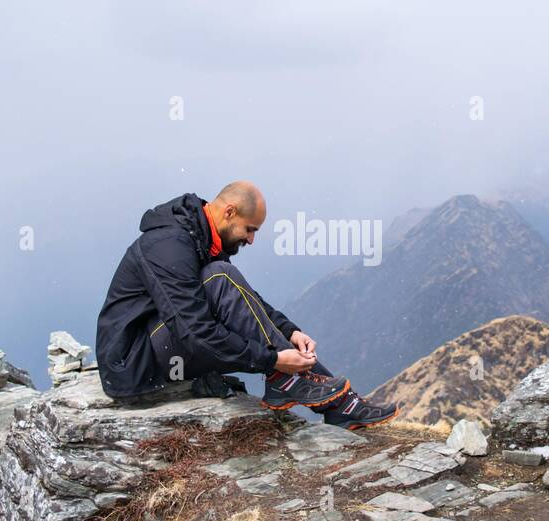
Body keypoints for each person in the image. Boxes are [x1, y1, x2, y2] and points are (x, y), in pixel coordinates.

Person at [95, 181, 399, 430]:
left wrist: (290, 331)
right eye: (250, 229)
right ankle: (301, 387)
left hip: (161, 350)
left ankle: (334, 401)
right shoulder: (168, 245)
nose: (251, 240)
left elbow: (244, 299)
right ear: (229, 212)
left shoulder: (200, 237)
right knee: (220, 276)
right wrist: (272, 361)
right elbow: (195, 332)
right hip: (135, 365)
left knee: (223, 278)